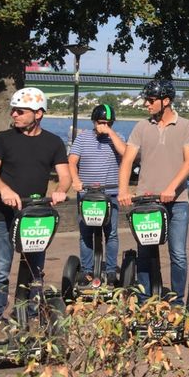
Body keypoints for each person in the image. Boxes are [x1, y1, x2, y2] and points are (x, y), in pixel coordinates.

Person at [0, 87, 70, 342]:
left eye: (20, 111)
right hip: (4, 214)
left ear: (38, 113)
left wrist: (60, 191)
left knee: (33, 270)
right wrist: (4, 189)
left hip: (35, 216)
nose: (15, 115)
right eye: (13, 110)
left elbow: (65, 177)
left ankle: (29, 316)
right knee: (0, 269)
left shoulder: (53, 142)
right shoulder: (3, 139)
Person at [118, 79, 189, 306]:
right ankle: (145, 300)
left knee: (178, 254)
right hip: (146, 200)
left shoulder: (185, 126)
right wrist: (123, 190)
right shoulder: (142, 127)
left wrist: (171, 187)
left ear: (166, 101)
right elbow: (127, 160)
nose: (146, 104)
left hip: (177, 201)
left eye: (151, 100)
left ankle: (177, 301)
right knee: (146, 252)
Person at [69, 104, 126, 285]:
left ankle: (110, 271)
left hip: (110, 193)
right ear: (94, 121)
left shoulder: (118, 137)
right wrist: (75, 180)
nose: (104, 125)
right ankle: (86, 271)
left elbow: (126, 153)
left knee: (111, 234)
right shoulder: (83, 137)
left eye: (108, 123)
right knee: (86, 233)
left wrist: (110, 133)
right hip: (87, 195)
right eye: (101, 122)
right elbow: (71, 162)